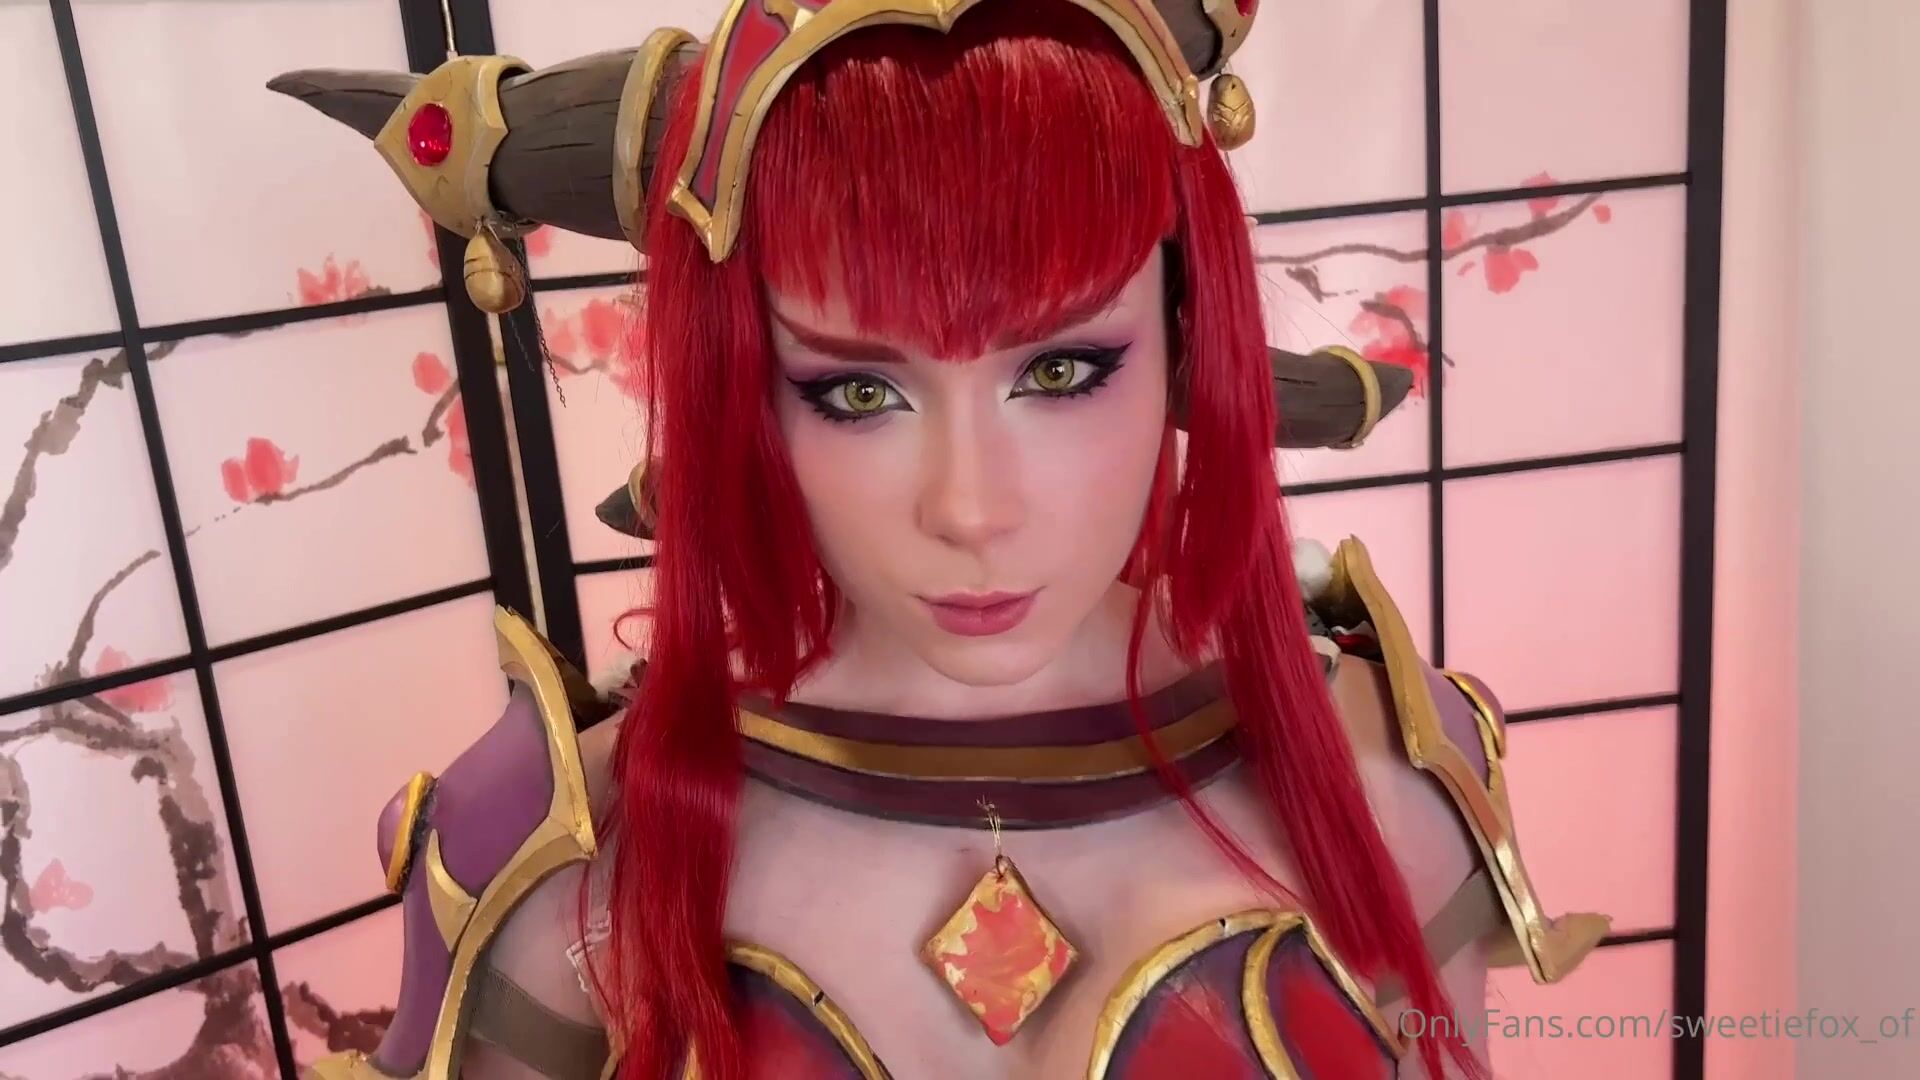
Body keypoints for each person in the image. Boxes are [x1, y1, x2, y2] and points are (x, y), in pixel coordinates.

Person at [277, 1, 1609, 1076]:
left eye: (1063, 371)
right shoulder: (564, 855)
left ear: (1186, 344)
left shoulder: (1391, 773)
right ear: (746, 396)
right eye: (859, 393)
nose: (971, 509)